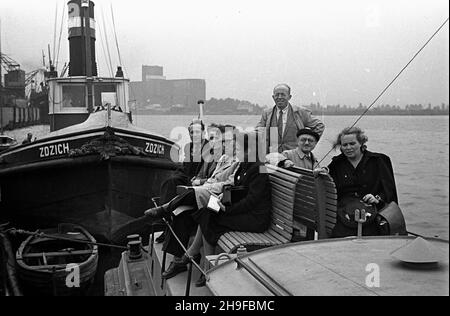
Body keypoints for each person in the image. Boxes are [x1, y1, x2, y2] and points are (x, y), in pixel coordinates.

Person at [146, 131, 271, 287]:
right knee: (206, 211)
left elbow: (252, 201)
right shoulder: (244, 165)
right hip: (241, 211)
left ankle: (198, 261)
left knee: (209, 217)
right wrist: (221, 199)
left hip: (255, 218)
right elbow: (234, 188)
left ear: (249, 151)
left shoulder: (260, 169)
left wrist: (226, 210)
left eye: (238, 148)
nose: (234, 151)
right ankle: (203, 263)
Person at [144, 126, 240, 277]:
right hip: (209, 195)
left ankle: (164, 210)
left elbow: (229, 185)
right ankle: (179, 259)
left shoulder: (237, 161)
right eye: (221, 141)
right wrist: (203, 183)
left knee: (200, 207)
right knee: (180, 212)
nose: (221, 144)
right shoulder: (222, 158)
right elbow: (207, 176)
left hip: (220, 200)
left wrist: (204, 185)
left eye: (226, 141)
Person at [327, 126, 398, 237]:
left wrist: (377, 198)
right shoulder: (336, 164)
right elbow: (328, 189)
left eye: (352, 144)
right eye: (344, 145)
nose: (348, 148)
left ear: (361, 143)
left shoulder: (379, 161)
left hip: (373, 215)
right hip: (344, 217)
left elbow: (389, 191)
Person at [256, 84, 325, 153]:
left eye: (283, 94)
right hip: (273, 157)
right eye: (277, 95)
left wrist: (308, 143)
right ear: (273, 97)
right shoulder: (267, 113)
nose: (279, 97)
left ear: (289, 97)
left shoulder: (300, 112)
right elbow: (257, 132)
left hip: (295, 156)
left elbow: (319, 126)